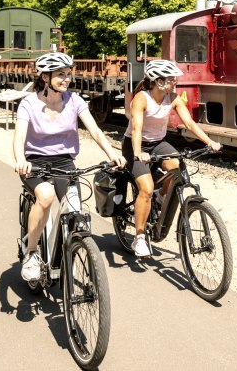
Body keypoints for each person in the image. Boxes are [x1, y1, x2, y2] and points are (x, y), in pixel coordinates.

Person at [13, 52, 126, 281]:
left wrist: (113, 154)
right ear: (46, 77)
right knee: (44, 196)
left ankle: (70, 249)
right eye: (61, 75)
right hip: (35, 161)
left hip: (64, 162)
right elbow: (19, 136)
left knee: (75, 210)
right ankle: (32, 252)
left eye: (68, 74)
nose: (67, 79)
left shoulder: (74, 101)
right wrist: (20, 160)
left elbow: (94, 130)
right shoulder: (29, 103)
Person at [123, 59, 221, 257]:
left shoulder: (173, 98)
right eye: (170, 79)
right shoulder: (142, 98)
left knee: (177, 166)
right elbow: (136, 128)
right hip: (135, 144)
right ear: (158, 81)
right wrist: (138, 153)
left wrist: (209, 142)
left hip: (158, 143)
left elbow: (190, 124)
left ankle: (161, 196)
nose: (174, 82)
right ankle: (139, 237)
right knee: (146, 188)